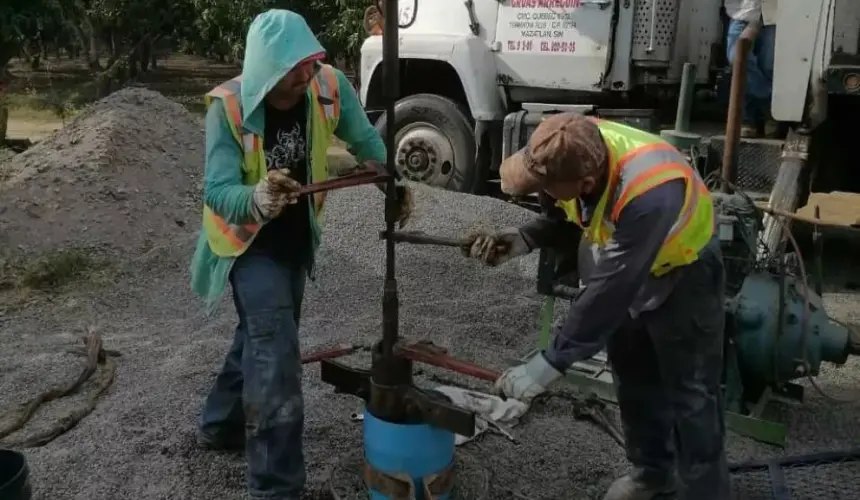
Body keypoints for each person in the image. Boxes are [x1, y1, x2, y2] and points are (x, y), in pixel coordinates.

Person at [189, 9, 413, 500]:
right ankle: (276, 489)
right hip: (248, 244)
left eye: (310, 65)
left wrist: (386, 178)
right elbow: (218, 189)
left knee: (260, 333)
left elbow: (363, 138)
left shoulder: (327, 84)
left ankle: (218, 425)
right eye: (293, 73)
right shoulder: (227, 109)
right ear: (266, 72)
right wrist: (256, 198)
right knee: (275, 358)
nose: (305, 78)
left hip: (295, 240)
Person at [463, 113, 729, 500]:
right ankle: (653, 475)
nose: (546, 196)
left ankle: (706, 492)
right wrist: (526, 236)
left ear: (585, 182)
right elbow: (573, 215)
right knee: (634, 378)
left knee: (692, 396)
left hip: (684, 272)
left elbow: (611, 290)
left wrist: (550, 362)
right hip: (623, 258)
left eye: (550, 190)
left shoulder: (652, 191)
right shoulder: (564, 142)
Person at [724, 0, 779, 138]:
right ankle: (770, 107)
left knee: (768, 65)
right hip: (741, 13)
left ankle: (747, 119)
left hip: (774, 15)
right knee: (737, 59)